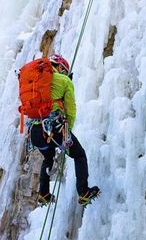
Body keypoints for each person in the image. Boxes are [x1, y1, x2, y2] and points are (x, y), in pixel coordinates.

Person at [29, 54, 100, 207]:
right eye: (65, 70)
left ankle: (44, 194)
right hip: (55, 129)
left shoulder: (34, 80)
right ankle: (83, 192)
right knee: (79, 155)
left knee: (48, 158)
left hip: (35, 132)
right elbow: (71, 110)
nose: (65, 74)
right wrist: (68, 133)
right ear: (60, 67)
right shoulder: (64, 81)